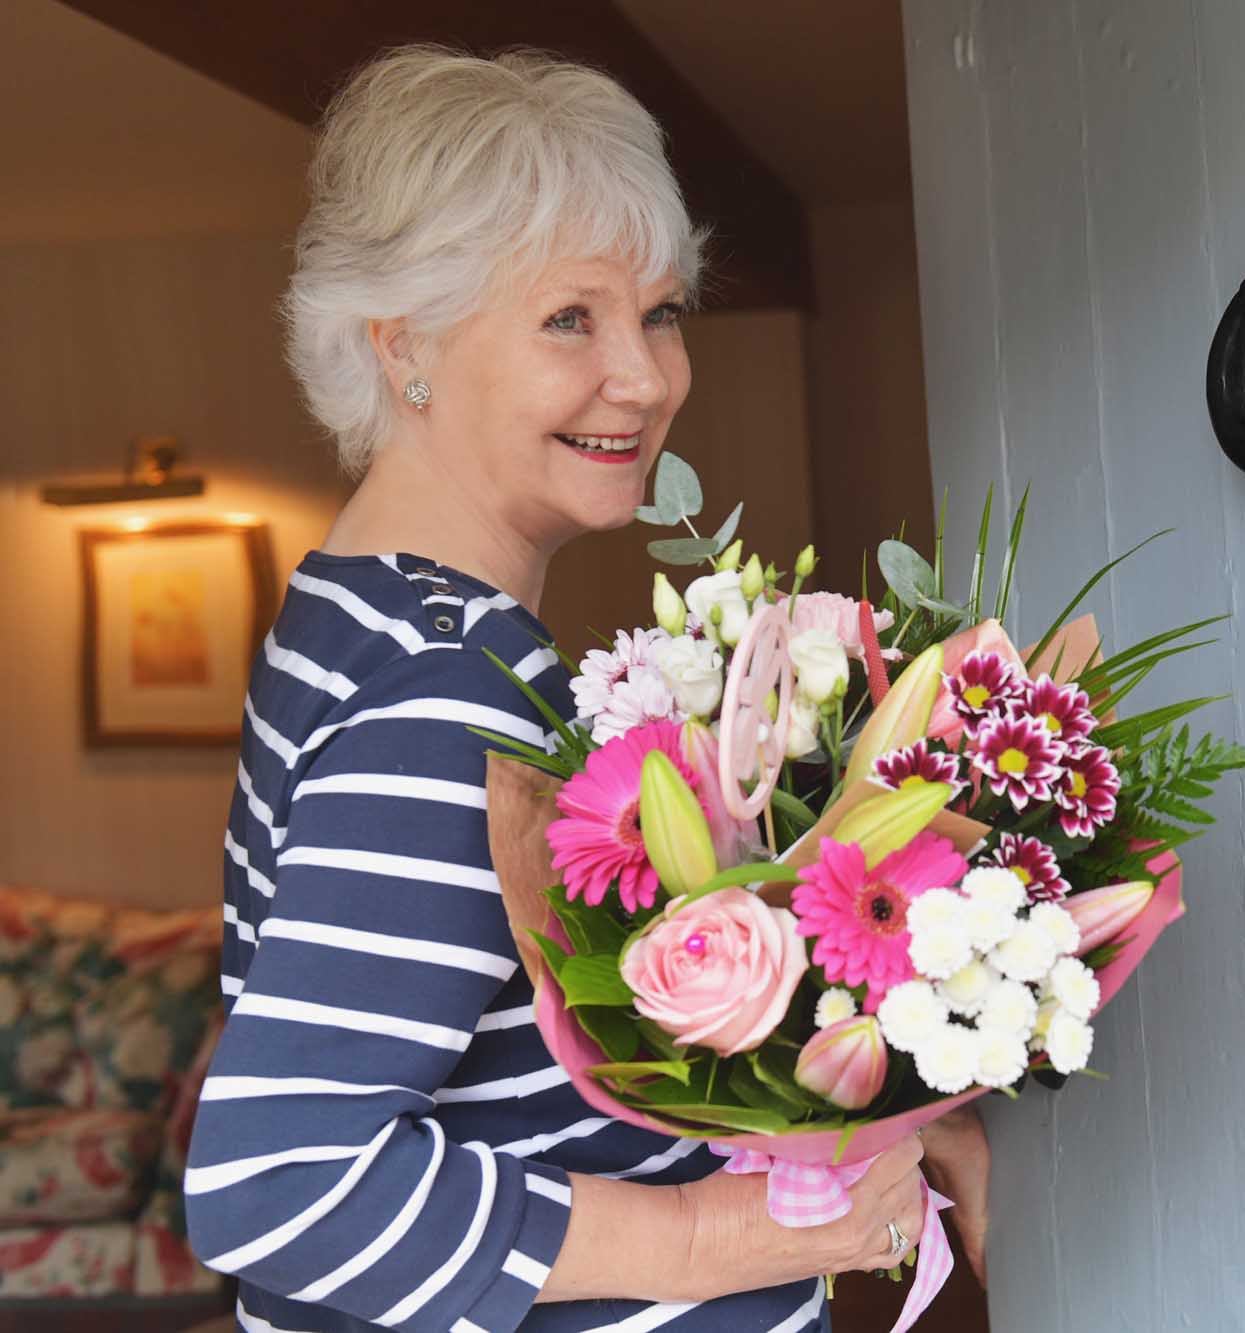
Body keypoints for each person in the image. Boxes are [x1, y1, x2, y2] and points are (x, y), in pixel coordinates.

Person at [185, 45, 988, 1332]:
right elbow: (279, 1187)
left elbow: (510, 1074)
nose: (647, 376)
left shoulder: (360, 611)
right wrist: (692, 1240)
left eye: (659, 311)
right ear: (405, 349)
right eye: (572, 317)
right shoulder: (450, 698)